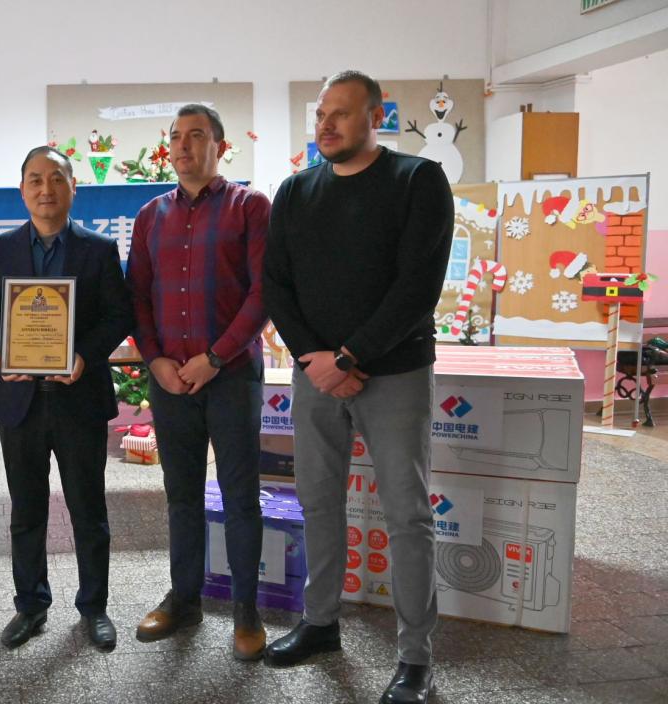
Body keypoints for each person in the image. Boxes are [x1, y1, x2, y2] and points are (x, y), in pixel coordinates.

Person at [263, 70, 453, 704]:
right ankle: (320, 623)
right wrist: (316, 360)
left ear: (377, 116)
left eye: (340, 113)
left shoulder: (417, 181)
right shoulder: (296, 191)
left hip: (394, 372)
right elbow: (276, 284)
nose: (326, 125)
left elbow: (417, 286)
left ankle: (415, 657)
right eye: (321, 114)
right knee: (318, 503)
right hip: (315, 374)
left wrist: (349, 357)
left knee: (407, 515)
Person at [0, 145, 133, 650]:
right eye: (36, 180)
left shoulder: (98, 250)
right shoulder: (0, 250)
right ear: (22, 190)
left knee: (89, 510)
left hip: (79, 398)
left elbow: (118, 315)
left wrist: (83, 354)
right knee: (26, 510)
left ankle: (94, 608)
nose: (46, 189)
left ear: (72, 188)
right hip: (19, 402)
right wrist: (0, 351)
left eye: (57, 178)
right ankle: (31, 606)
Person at [126, 104, 272, 661]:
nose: (183, 146)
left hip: (231, 377)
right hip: (170, 381)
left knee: (240, 497)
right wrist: (156, 360)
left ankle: (246, 612)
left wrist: (215, 357)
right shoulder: (150, 215)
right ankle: (184, 599)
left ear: (220, 146)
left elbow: (263, 294)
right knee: (181, 495)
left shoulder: (250, 207)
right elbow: (138, 296)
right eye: (175, 137)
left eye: (196, 136)